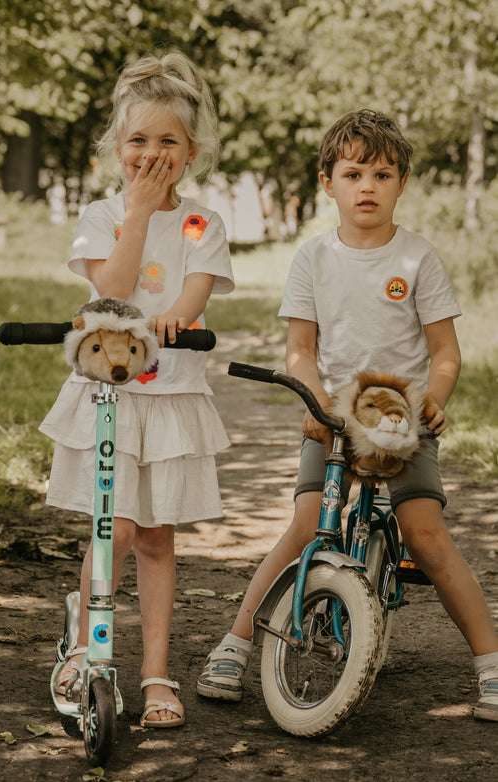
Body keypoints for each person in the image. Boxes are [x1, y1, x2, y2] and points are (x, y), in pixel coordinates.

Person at [197, 109, 498, 722]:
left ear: (402, 183)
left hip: (401, 419)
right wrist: (315, 400)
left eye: (382, 175)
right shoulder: (313, 258)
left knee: (426, 536)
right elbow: (300, 350)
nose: (367, 187)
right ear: (327, 182)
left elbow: (445, 351)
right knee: (306, 525)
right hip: (335, 416)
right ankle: (236, 642)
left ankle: (491, 663)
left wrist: (434, 399)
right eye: (353, 173)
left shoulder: (418, 258)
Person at [40, 50, 234, 728]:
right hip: (111, 395)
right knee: (113, 526)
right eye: (139, 140)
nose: (152, 154)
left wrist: (176, 314)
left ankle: (155, 672)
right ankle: (87, 647)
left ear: (192, 151)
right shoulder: (101, 216)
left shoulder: (203, 223)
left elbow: (193, 293)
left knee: (155, 537)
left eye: (168, 141)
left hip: (170, 397)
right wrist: (141, 213)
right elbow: (113, 292)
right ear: (116, 147)